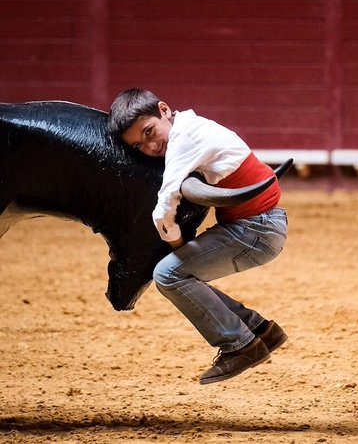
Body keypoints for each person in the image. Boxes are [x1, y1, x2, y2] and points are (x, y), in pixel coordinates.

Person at [108, 89, 288, 385]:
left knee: (168, 274)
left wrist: (176, 244)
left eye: (149, 131)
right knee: (181, 274)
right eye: (139, 145)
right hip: (258, 226)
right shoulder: (191, 127)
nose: (151, 146)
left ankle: (240, 345)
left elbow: (164, 207)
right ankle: (258, 330)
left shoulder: (184, 140)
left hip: (256, 229)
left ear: (164, 110)